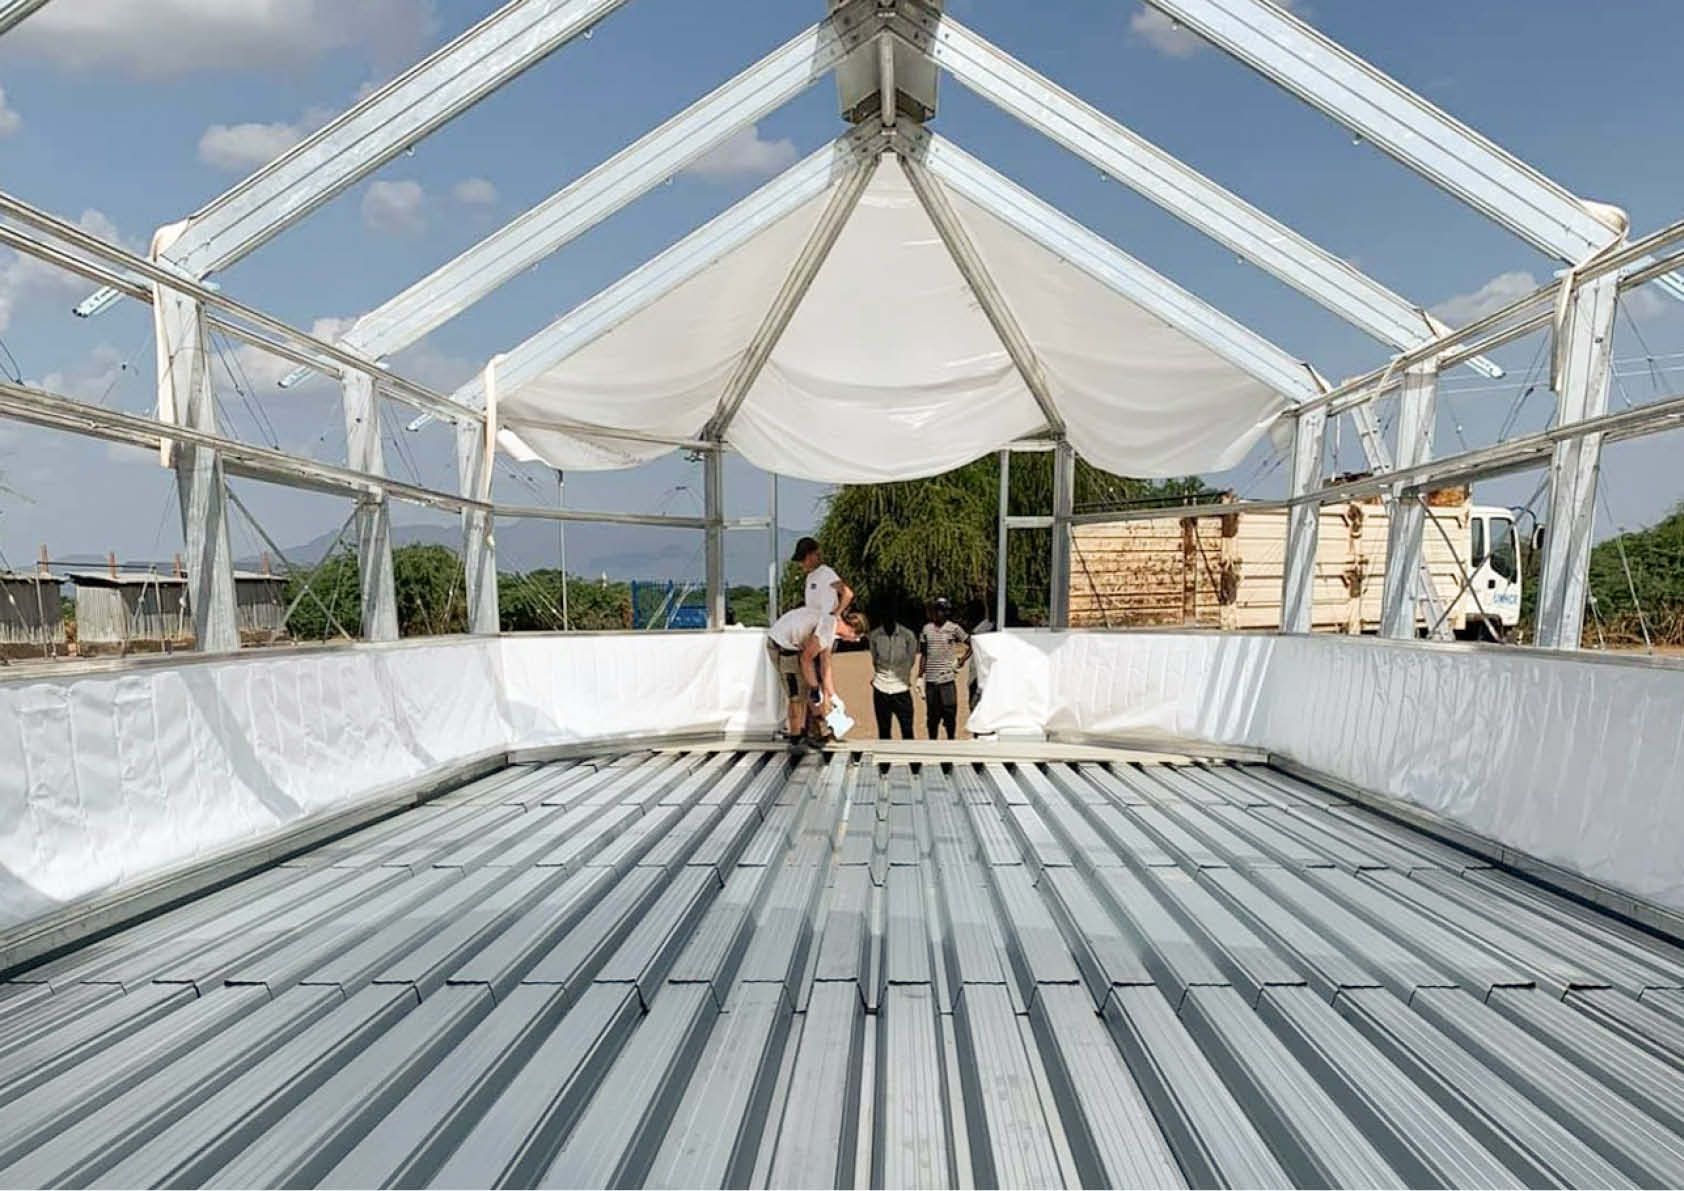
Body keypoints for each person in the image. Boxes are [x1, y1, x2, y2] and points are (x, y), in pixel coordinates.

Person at [767, 604, 864, 739]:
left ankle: (815, 730)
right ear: (852, 629)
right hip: (782, 645)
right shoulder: (826, 631)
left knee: (809, 688)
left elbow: (825, 665)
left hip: (796, 644)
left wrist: (833, 695)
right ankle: (796, 737)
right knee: (797, 694)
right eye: (857, 636)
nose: (856, 641)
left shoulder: (832, 627)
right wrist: (815, 688)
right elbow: (806, 659)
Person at [915, 596, 969, 740]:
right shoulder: (926, 629)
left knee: (950, 713)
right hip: (931, 681)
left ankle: (950, 740)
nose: (940, 613)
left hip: (947, 680)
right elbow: (924, 654)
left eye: (944, 611)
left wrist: (961, 660)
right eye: (938, 610)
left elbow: (971, 644)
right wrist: (920, 676)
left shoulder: (954, 628)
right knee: (932, 717)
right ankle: (932, 743)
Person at [867, 599, 917, 740]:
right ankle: (885, 755)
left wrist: (902, 674)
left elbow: (911, 659)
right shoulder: (875, 636)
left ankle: (909, 755)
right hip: (881, 687)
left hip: (901, 688)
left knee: (907, 730)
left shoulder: (908, 636)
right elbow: (875, 659)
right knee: (884, 731)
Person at [793, 536, 853, 620]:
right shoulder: (809, 578)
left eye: (803, 559)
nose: (801, 563)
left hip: (827, 621)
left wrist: (837, 613)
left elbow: (848, 594)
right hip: (815, 621)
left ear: (813, 555)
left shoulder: (826, 573)